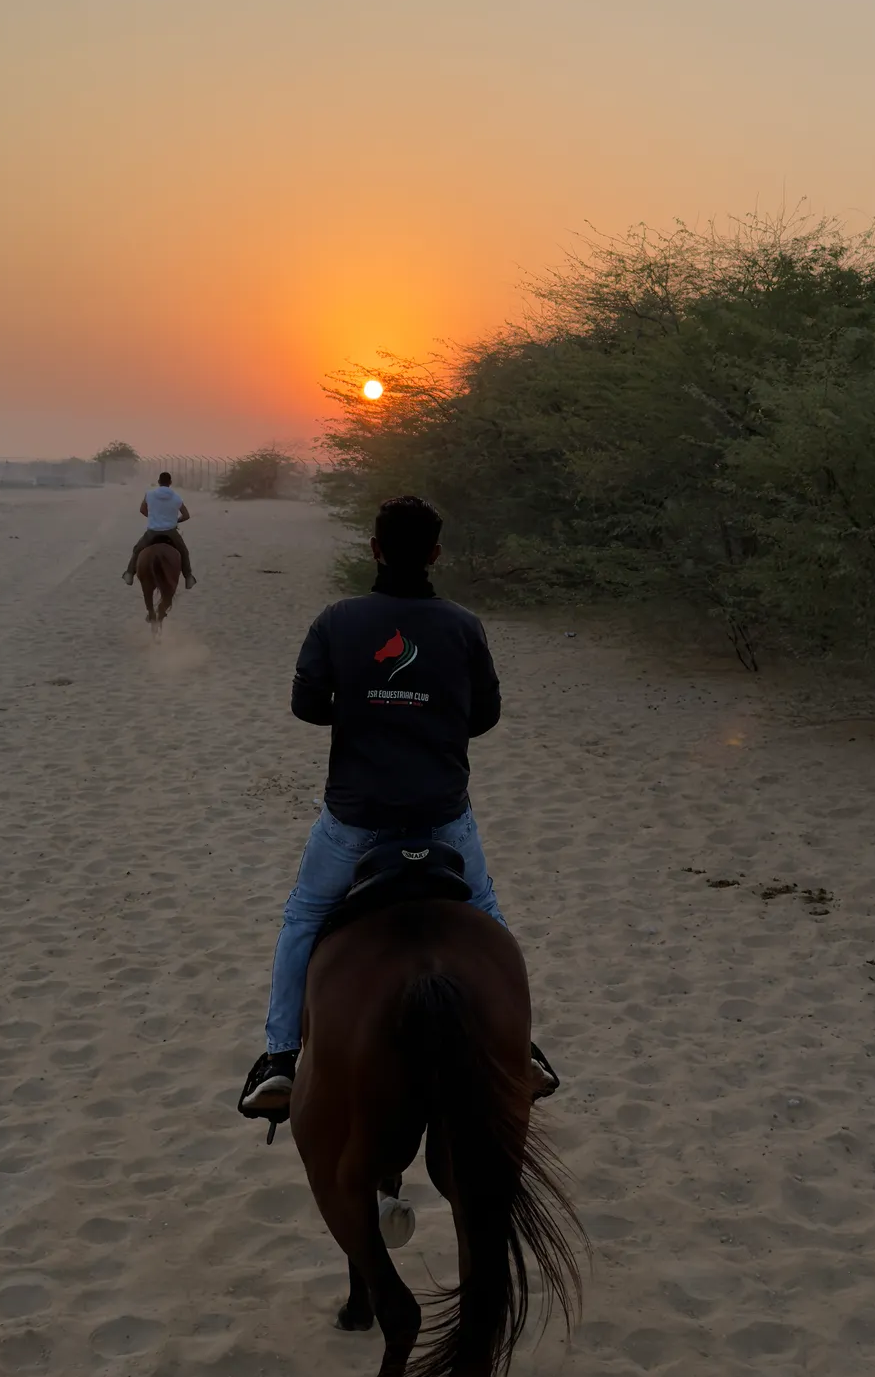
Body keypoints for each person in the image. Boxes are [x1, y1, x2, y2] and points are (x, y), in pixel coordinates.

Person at [237, 492, 557, 1120]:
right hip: (442, 815)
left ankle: (278, 1059)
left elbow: (305, 705)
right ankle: (520, 1049)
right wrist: (430, 717)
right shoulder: (463, 625)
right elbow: (485, 715)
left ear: (374, 548)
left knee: (304, 917)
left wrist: (362, 710)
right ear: (435, 553)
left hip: (355, 821)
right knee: (486, 913)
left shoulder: (338, 620)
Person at [124, 471, 196, 587]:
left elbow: (142, 510)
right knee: (184, 552)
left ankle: (129, 574)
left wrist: (153, 517)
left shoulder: (149, 494)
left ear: (158, 482)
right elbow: (186, 515)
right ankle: (188, 577)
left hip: (152, 531)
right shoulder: (177, 498)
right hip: (171, 532)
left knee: (137, 550)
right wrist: (176, 520)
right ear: (170, 483)